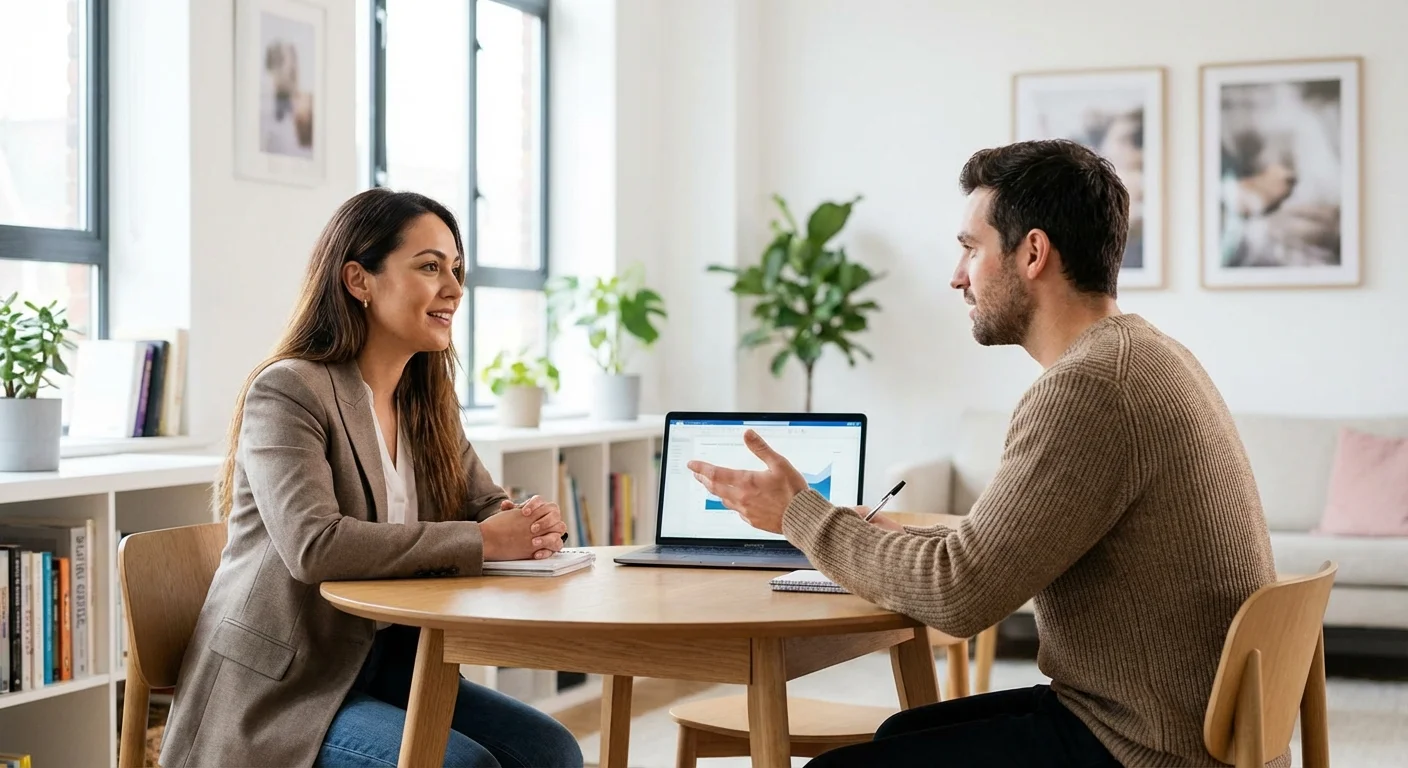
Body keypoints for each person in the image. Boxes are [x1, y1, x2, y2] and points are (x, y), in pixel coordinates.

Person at [687, 139, 1282, 767]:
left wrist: (799, 515)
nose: (956, 275)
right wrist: (883, 537)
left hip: (1142, 749)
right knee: (898, 736)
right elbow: (984, 556)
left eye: (971, 248)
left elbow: (959, 596)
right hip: (1160, 722)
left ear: (1032, 253)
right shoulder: (1145, 355)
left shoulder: (1090, 388)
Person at [159, 188, 585, 768]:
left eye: (456, 270)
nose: (454, 290)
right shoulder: (289, 390)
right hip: (286, 688)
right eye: (430, 267)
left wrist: (523, 525)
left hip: (390, 665)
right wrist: (487, 540)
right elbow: (315, 545)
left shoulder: (425, 402)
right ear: (359, 280)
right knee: (465, 766)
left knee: (551, 751)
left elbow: (482, 503)